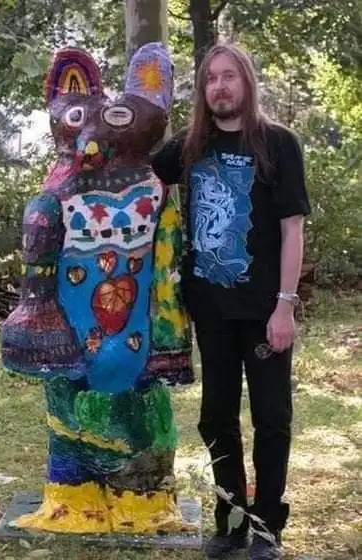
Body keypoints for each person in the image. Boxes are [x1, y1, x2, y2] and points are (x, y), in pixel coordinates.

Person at [150, 43, 311, 560]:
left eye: (228, 76)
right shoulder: (190, 145)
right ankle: (231, 520)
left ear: (246, 82)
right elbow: (144, 179)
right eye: (210, 79)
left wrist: (285, 306)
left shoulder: (278, 143)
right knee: (216, 418)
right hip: (211, 311)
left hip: (265, 312)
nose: (219, 86)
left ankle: (267, 528)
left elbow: (292, 230)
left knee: (271, 418)